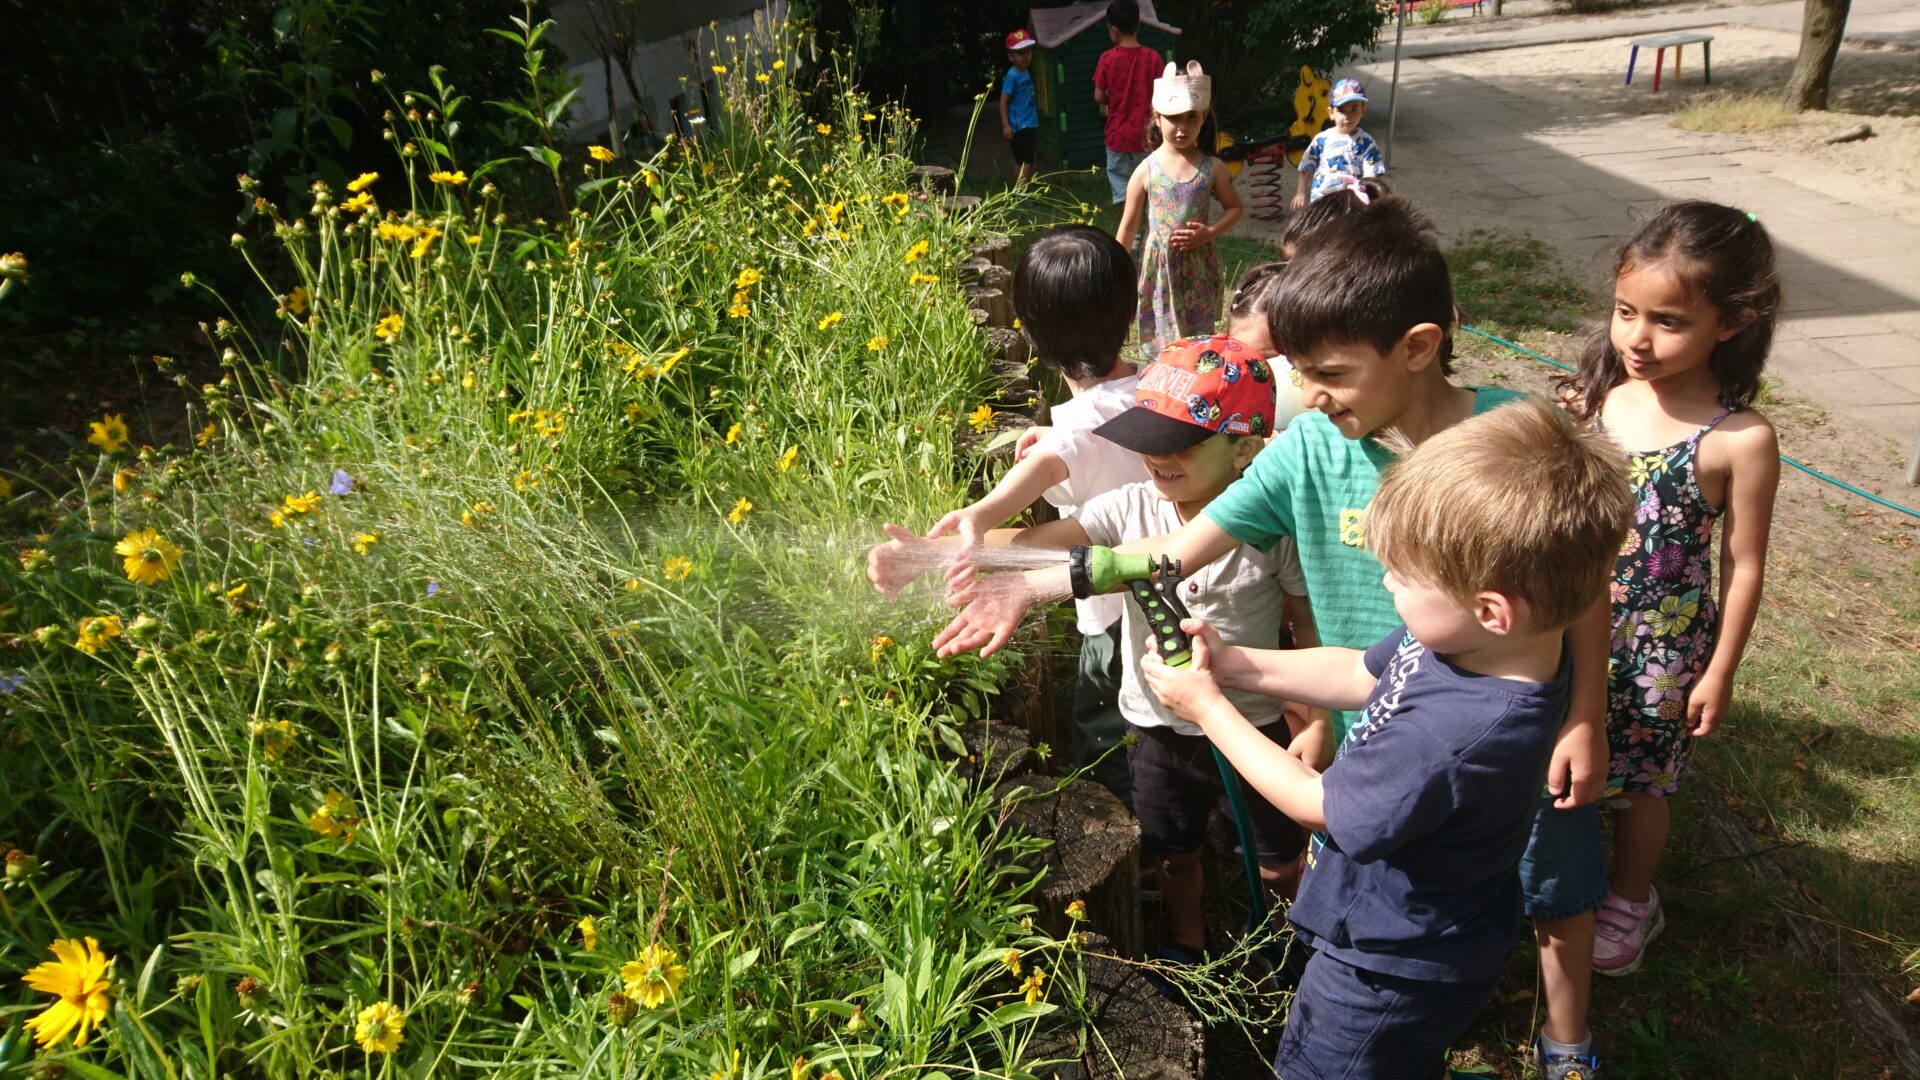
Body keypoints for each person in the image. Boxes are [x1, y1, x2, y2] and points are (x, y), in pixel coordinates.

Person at [1139, 396, 1634, 1080]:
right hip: (1416, 937)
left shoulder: (1448, 735)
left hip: (1383, 972)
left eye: (1401, 577)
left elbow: (1317, 804)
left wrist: (1208, 709)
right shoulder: (1470, 645)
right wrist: (1232, 663)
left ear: (1491, 607)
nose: (1385, 581)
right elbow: (1354, 671)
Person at [870, 336, 1314, 957]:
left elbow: (1305, 627)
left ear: (1244, 447)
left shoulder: (1274, 530)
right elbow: (1036, 541)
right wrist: (935, 551)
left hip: (1256, 720)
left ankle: (1286, 940)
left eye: (1178, 442)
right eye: (1148, 438)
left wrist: (1313, 719)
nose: (1155, 458)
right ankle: (1189, 942)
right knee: (1175, 851)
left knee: (1278, 858)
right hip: (1157, 723)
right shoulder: (1128, 508)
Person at [1517, 202, 1780, 1079]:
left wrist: (1722, 670)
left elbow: (1743, 565)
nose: (1638, 335)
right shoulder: (1599, 393)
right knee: (1565, 753)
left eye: (1669, 321)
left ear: (1732, 321)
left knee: (1642, 780)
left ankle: (1629, 902)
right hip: (1571, 616)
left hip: (1662, 643)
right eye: (1628, 310)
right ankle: (1553, 875)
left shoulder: (1738, 439)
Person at [913, 225, 1147, 803]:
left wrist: (980, 512)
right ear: (1130, 306)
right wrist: (1053, 433)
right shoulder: (1157, 381)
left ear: (1033, 334)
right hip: (1170, 583)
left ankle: (1120, 811)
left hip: (1115, 609)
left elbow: (1053, 462)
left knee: (1103, 725)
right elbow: (1079, 444)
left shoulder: (1078, 433)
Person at [1117, 61, 1243, 362]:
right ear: (1157, 118)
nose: (1183, 127)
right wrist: (1115, 271)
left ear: (1203, 119)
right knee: (1164, 348)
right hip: (1161, 272)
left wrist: (1210, 233)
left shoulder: (1212, 168)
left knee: (1198, 345)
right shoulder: (1146, 171)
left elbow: (1235, 208)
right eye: (1174, 118)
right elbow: (1128, 228)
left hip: (1198, 268)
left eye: (1192, 118)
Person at [1092, 0, 1162, 205]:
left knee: (1124, 192)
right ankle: (1150, 229)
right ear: (1138, 24)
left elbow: (1097, 96)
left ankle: (1131, 231)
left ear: (1113, 30)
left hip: (1117, 137)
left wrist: (1109, 98)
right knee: (1150, 189)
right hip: (1147, 137)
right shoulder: (1153, 58)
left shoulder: (1107, 58)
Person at [1291, 79, 1385, 211]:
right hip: (1321, 200)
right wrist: (1300, 192)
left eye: (1354, 109)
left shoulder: (1366, 143)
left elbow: (1371, 174)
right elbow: (1306, 166)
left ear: (1363, 110)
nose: (1348, 116)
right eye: (1341, 110)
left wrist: (1366, 191)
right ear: (1331, 113)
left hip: (1351, 202)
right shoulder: (1321, 139)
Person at [1000, 30, 1040, 186]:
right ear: (1011, 56)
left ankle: (1020, 190)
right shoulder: (1013, 75)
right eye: (1021, 53)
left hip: (1029, 123)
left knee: (1023, 160)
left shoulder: (1024, 72)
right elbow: (1003, 101)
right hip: (1020, 126)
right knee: (1025, 161)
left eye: (1028, 52)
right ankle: (1022, 194)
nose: (1026, 56)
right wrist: (1006, 126)